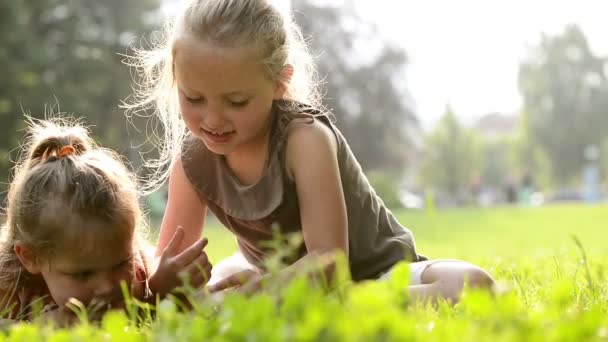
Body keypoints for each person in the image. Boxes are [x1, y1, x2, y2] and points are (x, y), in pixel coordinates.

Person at [125, 0, 494, 303]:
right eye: (194, 98)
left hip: (375, 274)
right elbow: (171, 258)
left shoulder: (305, 140)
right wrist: (165, 280)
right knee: (222, 282)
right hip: (275, 282)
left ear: (279, 84)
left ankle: (339, 308)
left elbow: (330, 262)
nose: (213, 119)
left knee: (472, 283)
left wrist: (267, 291)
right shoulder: (192, 160)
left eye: (236, 101)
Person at [0, 118, 212, 324]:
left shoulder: (140, 273)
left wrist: (158, 291)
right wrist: (43, 327)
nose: (108, 286)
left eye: (121, 263)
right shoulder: (9, 285)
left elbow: (134, 318)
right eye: (83, 274)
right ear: (30, 257)